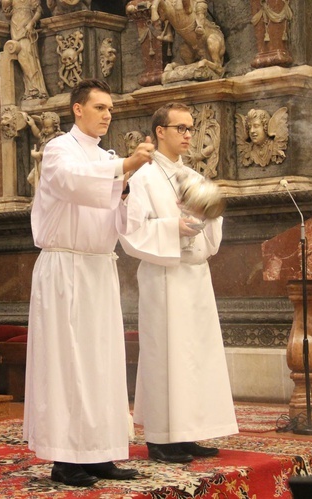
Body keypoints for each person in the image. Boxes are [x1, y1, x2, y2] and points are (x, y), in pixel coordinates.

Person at [23, 79, 155, 487]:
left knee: (103, 362)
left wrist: (127, 189)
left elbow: (123, 218)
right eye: (99, 107)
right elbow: (72, 181)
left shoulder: (108, 157)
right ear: (77, 109)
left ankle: (101, 452)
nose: (107, 114)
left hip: (99, 267)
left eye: (110, 108)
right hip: (65, 267)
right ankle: (66, 458)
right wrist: (125, 168)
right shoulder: (60, 148)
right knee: (67, 362)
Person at [119, 102, 238, 464]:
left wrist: (207, 216)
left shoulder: (194, 177)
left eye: (191, 128)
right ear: (160, 132)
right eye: (181, 128)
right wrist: (172, 228)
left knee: (195, 355)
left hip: (195, 274)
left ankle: (188, 433)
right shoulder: (143, 177)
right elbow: (131, 231)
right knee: (165, 354)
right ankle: (160, 437)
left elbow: (211, 221)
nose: (189, 135)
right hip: (164, 275)